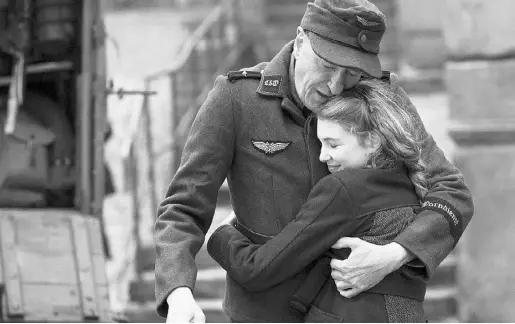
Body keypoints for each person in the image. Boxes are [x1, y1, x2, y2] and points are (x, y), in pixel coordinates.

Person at [154, 0, 474, 322]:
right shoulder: (235, 97)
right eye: (327, 65)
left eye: (351, 73)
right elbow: (183, 207)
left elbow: (450, 191)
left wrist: (393, 255)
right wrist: (178, 292)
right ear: (301, 40)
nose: (336, 86)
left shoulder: (381, 99)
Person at [207, 78, 435, 322]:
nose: (323, 156)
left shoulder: (344, 189)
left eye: (333, 145)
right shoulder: (410, 183)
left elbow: (258, 269)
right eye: (320, 143)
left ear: (372, 141)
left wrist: (220, 237)